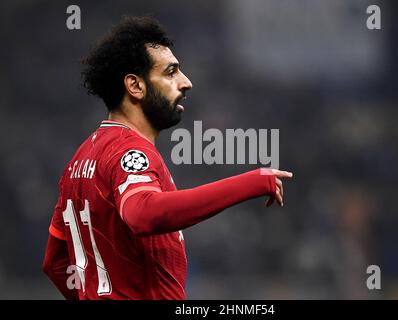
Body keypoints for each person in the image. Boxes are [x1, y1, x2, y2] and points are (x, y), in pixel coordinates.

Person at [42, 16, 293, 300]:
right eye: (171, 72)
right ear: (135, 86)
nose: (186, 83)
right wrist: (252, 182)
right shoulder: (130, 151)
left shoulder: (79, 161)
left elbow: (56, 263)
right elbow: (143, 213)